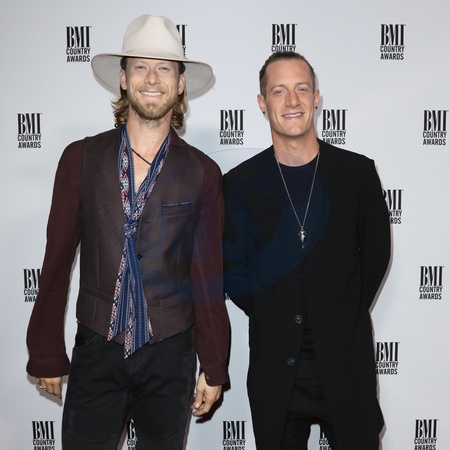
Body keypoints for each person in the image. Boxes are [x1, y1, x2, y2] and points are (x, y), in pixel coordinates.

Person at [26, 14, 230, 450]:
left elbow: (207, 276)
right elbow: (57, 258)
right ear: (122, 78)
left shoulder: (203, 173)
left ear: (180, 84)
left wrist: (214, 363)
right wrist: (45, 349)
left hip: (171, 352)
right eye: (140, 67)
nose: (152, 79)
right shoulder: (80, 158)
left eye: (164, 69)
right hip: (96, 345)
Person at [222, 51, 391, 450]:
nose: (292, 101)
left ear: (316, 97)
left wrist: (340, 308)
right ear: (262, 102)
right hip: (275, 365)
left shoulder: (356, 174)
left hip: (345, 360)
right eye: (279, 91)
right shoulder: (238, 184)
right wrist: (274, 308)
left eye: (301, 89)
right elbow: (232, 271)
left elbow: (375, 256)